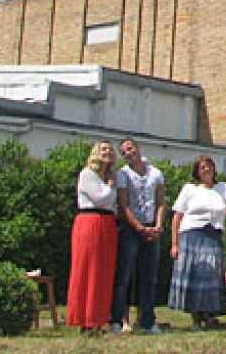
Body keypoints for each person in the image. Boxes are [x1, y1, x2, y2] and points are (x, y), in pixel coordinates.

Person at [169, 154, 226, 331]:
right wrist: (174, 244)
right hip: (191, 235)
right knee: (195, 276)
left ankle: (211, 316)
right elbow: (177, 217)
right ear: (197, 172)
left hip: (213, 235)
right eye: (202, 167)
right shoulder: (190, 189)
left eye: (209, 166)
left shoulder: (222, 188)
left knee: (212, 276)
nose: (206, 169)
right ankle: (196, 319)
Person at [110, 137, 165, 335]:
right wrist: (140, 228)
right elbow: (123, 206)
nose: (128, 154)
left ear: (138, 148)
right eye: (124, 152)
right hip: (131, 229)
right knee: (124, 275)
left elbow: (160, 202)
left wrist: (157, 227)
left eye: (130, 149)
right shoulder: (122, 175)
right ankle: (117, 319)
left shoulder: (156, 173)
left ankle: (147, 321)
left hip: (151, 226)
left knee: (149, 277)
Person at [66, 140, 118, 336]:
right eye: (103, 149)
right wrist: (111, 186)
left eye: (110, 150)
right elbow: (102, 199)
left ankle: (98, 319)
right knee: (89, 270)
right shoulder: (88, 174)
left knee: (104, 272)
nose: (107, 153)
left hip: (106, 223)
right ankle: (85, 319)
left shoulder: (107, 176)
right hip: (90, 221)